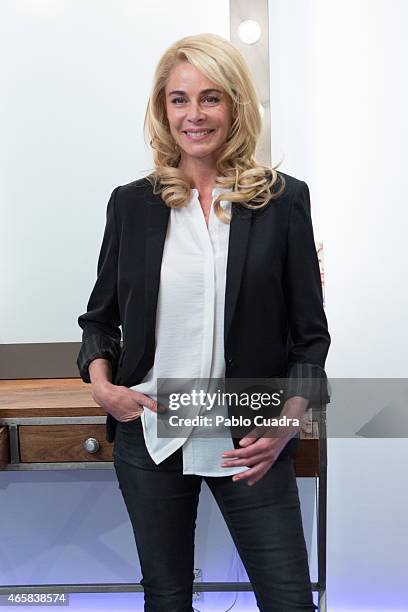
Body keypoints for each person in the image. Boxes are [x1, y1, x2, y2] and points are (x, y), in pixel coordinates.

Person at [76, 33, 330, 612]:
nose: (194, 115)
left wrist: (288, 426)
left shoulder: (282, 202)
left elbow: (310, 336)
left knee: (289, 601)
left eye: (211, 98)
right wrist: (102, 386)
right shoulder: (131, 203)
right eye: (179, 99)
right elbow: (100, 319)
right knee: (166, 599)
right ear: (163, 111)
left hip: (250, 436)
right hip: (151, 437)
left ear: (236, 105)